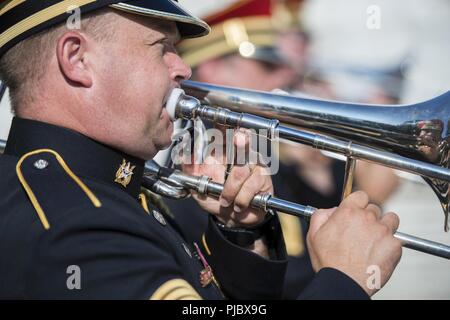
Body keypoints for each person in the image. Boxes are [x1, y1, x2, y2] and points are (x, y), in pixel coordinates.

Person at [0, 0, 401, 299]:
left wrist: (242, 236)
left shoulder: (114, 191)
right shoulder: (76, 227)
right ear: (77, 59)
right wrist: (344, 281)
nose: (183, 68)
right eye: (161, 47)